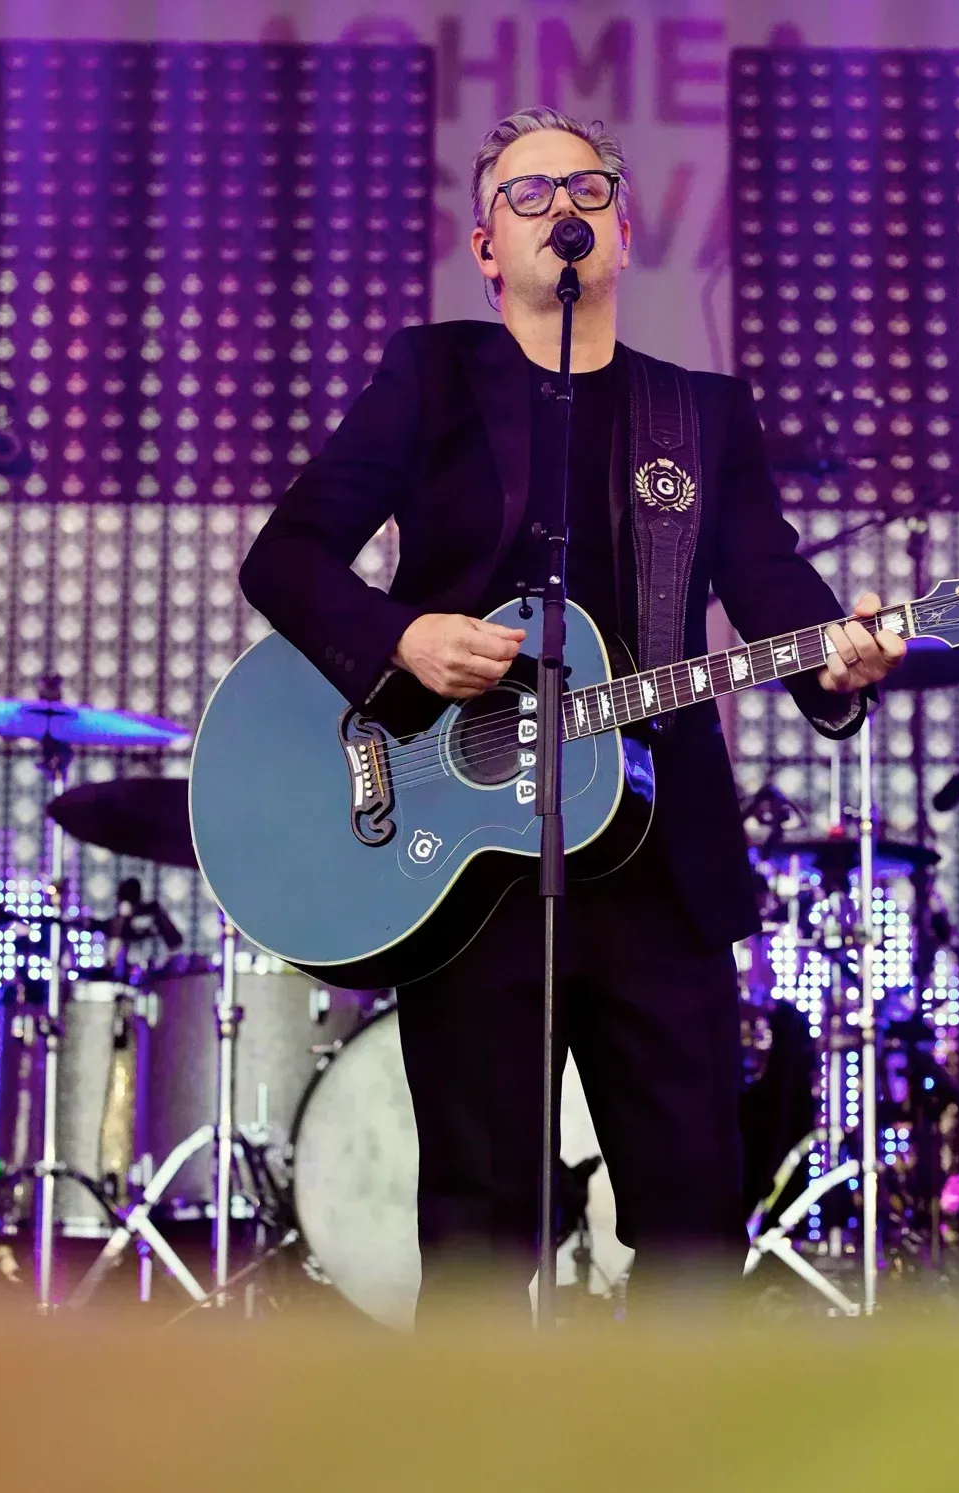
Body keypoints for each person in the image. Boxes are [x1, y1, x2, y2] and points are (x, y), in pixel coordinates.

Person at [239, 106, 905, 1314]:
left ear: (624, 226)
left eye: (586, 188)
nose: (563, 209)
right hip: (470, 867)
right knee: (484, 1241)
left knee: (697, 1228)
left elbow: (769, 589)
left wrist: (834, 662)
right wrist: (396, 636)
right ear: (487, 245)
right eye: (528, 194)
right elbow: (284, 559)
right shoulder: (432, 375)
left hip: (661, 860)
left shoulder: (697, 414)